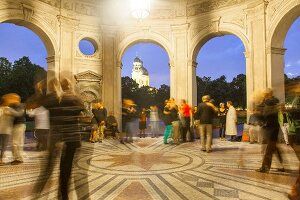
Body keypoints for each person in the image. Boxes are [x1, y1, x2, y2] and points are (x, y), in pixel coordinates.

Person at [34, 77, 86, 200]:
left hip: (55, 139)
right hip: (71, 139)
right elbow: (82, 108)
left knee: (48, 170)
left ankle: (37, 194)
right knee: (65, 171)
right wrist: (75, 89)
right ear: (70, 86)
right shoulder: (74, 99)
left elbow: (42, 102)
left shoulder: (53, 100)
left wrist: (39, 90)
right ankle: (63, 196)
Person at [256, 88, 284, 173]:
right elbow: (260, 108)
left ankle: (265, 167)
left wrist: (259, 99)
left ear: (268, 94)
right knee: (273, 148)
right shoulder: (270, 101)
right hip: (269, 128)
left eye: (264, 94)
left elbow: (260, 107)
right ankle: (281, 165)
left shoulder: (272, 101)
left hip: (271, 128)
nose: (263, 95)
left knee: (269, 149)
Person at [0, 93, 23, 165]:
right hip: (7, 129)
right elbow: (18, 114)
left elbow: (18, 114)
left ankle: (18, 158)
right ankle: (16, 158)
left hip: (15, 126)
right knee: (7, 144)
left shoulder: (14, 107)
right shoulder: (9, 107)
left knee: (14, 143)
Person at [27, 80, 50, 151]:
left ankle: (40, 146)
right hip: (46, 126)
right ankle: (43, 147)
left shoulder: (38, 109)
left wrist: (28, 109)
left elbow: (30, 114)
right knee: (43, 138)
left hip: (40, 126)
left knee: (40, 137)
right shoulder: (46, 110)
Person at [11, 99, 26, 165]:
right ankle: (19, 158)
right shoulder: (19, 106)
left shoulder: (17, 107)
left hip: (18, 125)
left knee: (15, 142)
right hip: (20, 125)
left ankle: (18, 159)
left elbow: (18, 114)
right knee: (19, 143)